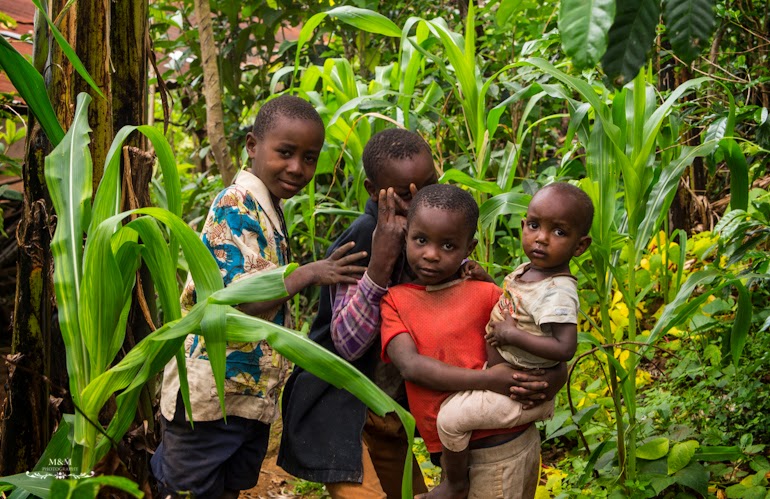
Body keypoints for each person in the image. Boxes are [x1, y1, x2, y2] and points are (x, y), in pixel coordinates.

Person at [151, 94, 367, 499]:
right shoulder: (236, 204)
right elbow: (235, 303)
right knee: (185, 491)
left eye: (309, 158)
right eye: (285, 152)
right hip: (211, 400)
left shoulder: (268, 208)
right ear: (252, 146)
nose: (296, 168)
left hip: (242, 398)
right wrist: (310, 273)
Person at [381, 183, 591, 499]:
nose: (431, 255)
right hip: (462, 453)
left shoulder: (486, 293)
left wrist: (554, 377)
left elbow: (537, 344)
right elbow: (411, 366)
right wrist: (489, 379)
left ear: (469, 248)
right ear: (405, 237)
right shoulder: (396, 301)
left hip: (499, 450)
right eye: (421, 240)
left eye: (448, 246)